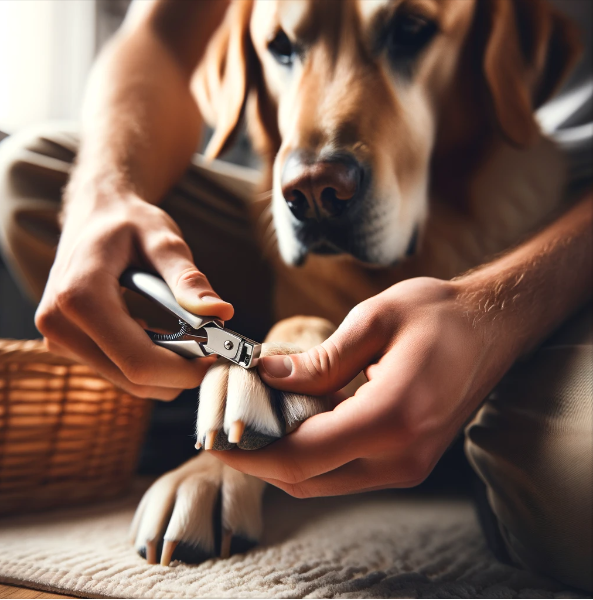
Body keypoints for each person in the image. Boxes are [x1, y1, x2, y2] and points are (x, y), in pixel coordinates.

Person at [0, 0, 590, 592]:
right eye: (285, 49)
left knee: (572, 503)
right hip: (280, 235)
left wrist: (499, 312)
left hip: (559, 222)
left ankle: (318, 403)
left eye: (407, 33)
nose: (323, 134)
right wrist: (105, 196)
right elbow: (161, 32)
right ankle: (255, 401)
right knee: (37, 180)